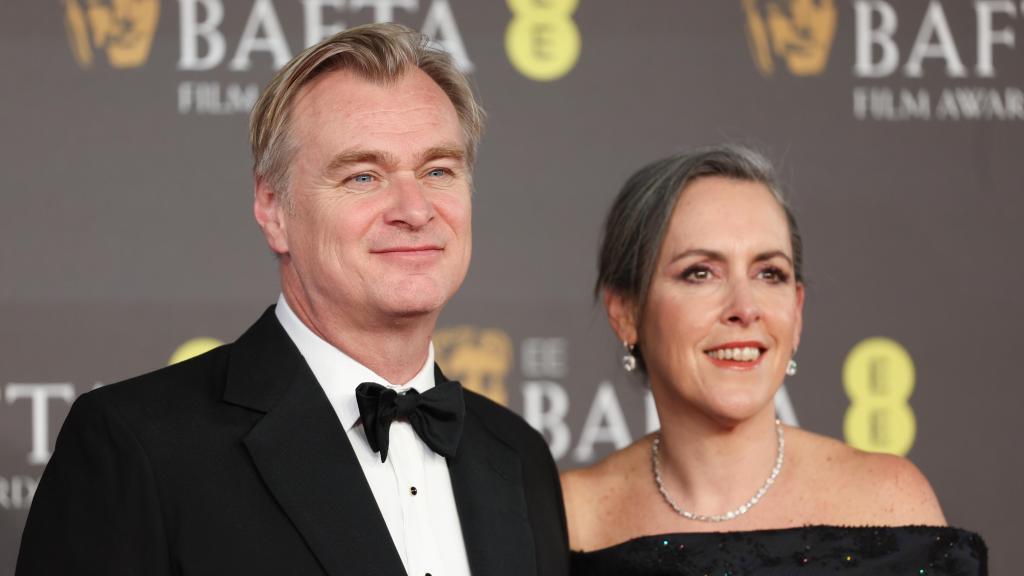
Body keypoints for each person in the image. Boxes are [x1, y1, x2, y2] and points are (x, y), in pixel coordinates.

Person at [17, 23, 568, 576]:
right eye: (362, 177)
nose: (415, 208)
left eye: (438, 170)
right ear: (274, 209)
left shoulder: (519, 456)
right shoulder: (136, 446)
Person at [561, 145, 987, 575]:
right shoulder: (570, 517)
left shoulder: (889, 502)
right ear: (626, 313)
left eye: (770, 274)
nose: (745, 308)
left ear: (797, 311)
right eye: (700, 272)